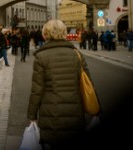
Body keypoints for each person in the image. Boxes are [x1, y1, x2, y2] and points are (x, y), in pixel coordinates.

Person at [27, 19, 100, 147]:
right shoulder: (76, 54)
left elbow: (37, 89)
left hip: (50, 114)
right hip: (75, 112)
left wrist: (32, 115)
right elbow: (89, 83)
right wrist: (97, 108)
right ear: (64, 33)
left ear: (45, 34)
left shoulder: (41, 56)